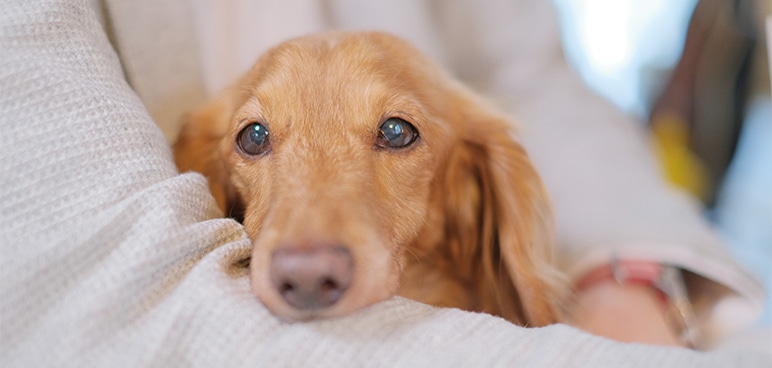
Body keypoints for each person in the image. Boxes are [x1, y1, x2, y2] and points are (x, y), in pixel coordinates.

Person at [0, 0, 767, 367]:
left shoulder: (478, 163)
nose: (308, 250)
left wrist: (625, 278)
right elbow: (101, 281)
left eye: (394, 134)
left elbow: (525, 76)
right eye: (256, 138)